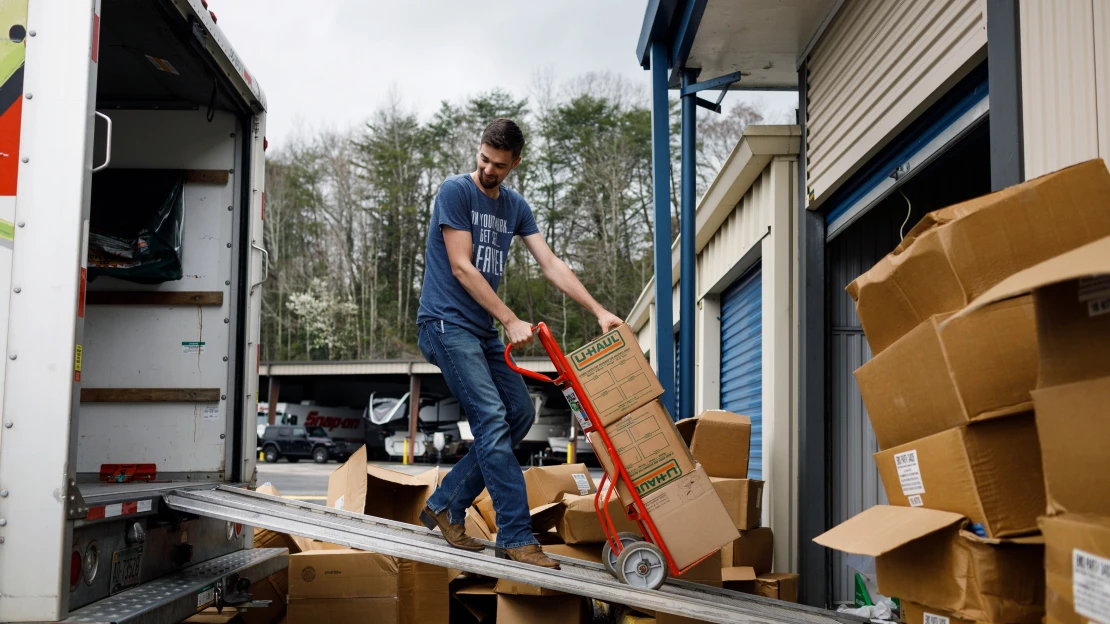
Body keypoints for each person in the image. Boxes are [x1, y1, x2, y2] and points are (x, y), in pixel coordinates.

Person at [416, 118, 622, 569]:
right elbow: (461, 267)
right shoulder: (456, 192)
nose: (489, 169)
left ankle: (445, 503)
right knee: (491, 418)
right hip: (445, 325)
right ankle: (515, 536)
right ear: (480, 150)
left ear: (516, 162)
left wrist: (599, 310)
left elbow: (550, 263)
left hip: (480, 331)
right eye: (484, 159)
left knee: (520, 413)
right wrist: (509, 319)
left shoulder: (515, 207)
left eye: (499, 165)